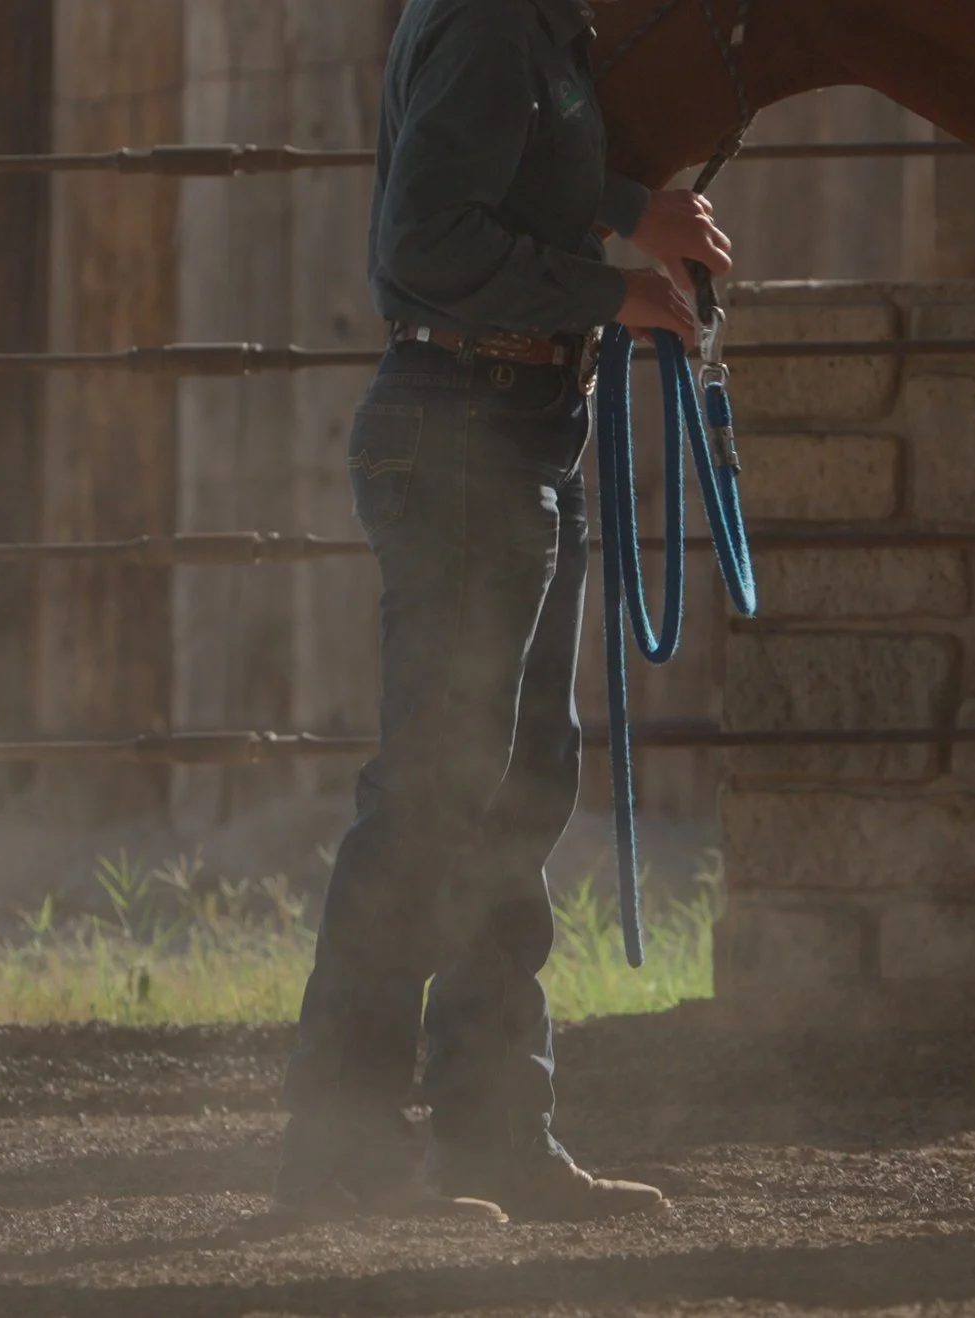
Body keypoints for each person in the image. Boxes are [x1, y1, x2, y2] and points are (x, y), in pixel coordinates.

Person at [273, 0, 732, 1221]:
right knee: (439, 787)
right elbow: (422, 242)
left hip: (509, 430)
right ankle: (343, 1147)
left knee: (514, 786)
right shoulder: (487, 18)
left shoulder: (541, 29)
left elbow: (509, 177)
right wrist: (610, 287)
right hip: (466, 429)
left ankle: (491, 1134)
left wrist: (626, 203)